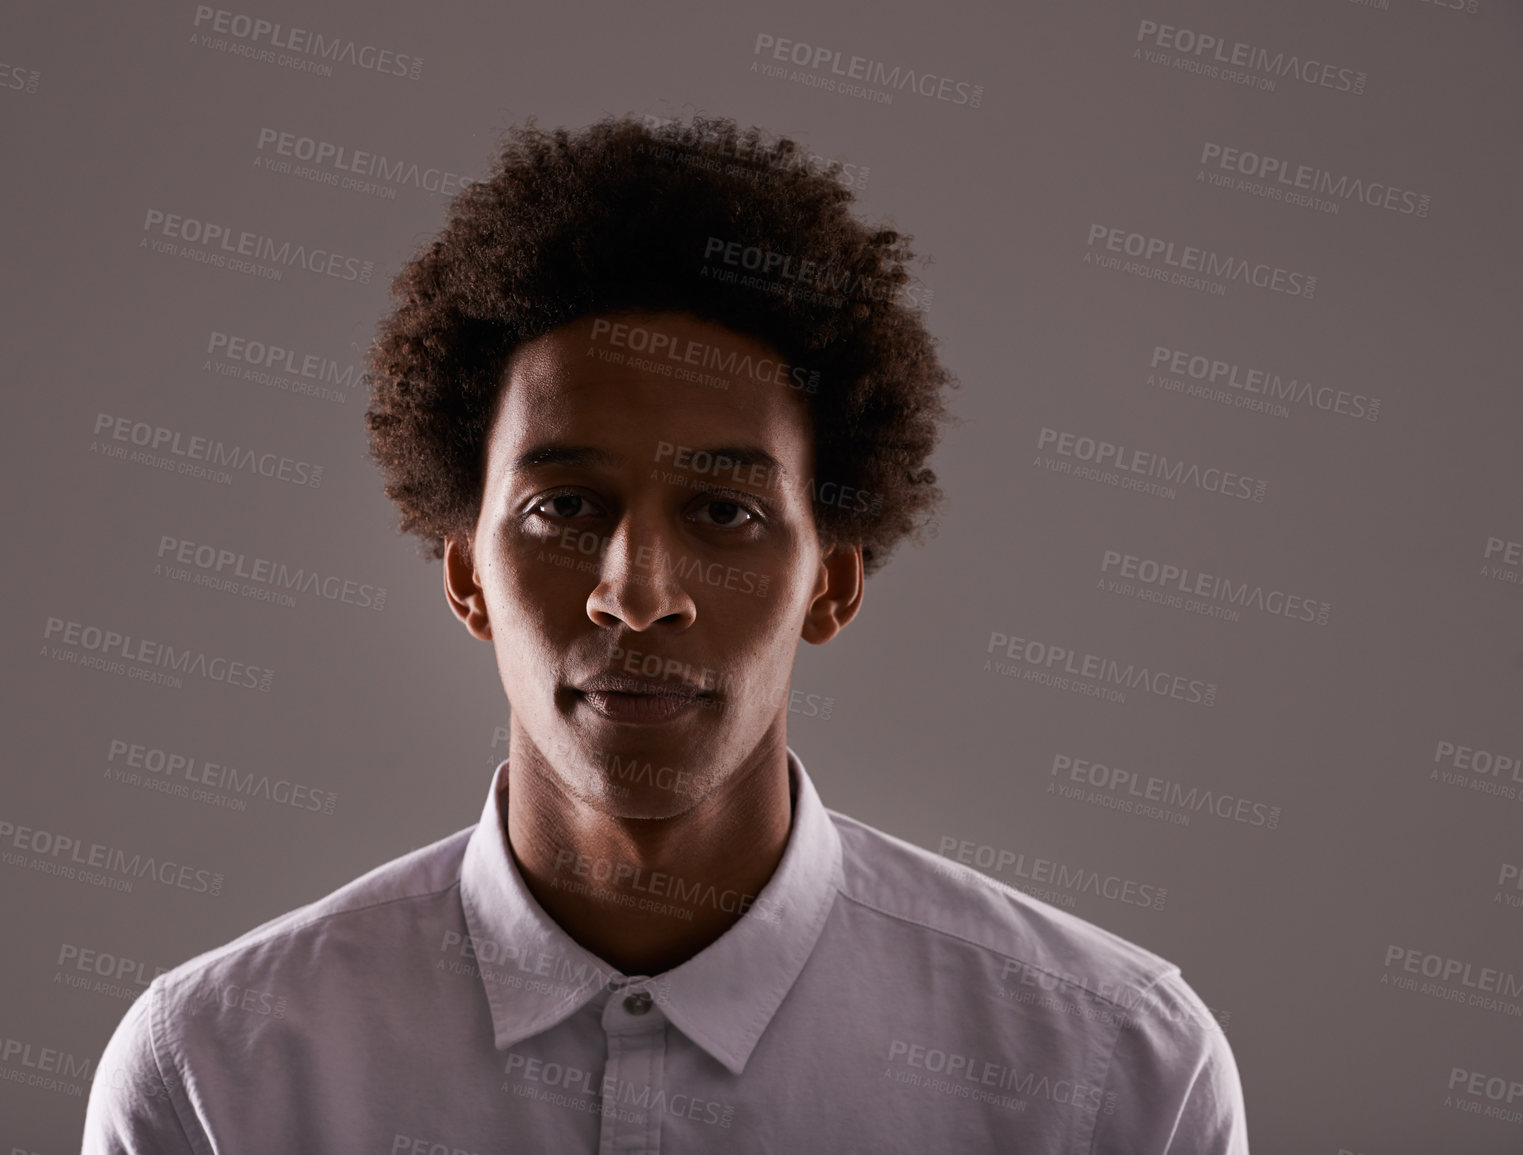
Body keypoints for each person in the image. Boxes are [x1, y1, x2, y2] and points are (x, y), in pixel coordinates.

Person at [82, 113, 1248, 1153]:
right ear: (467, 575)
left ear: (831, 583)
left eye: (726, 512)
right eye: (564, 508)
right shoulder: (219, 1078)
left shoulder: (1111, 1074)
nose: (637, 595)